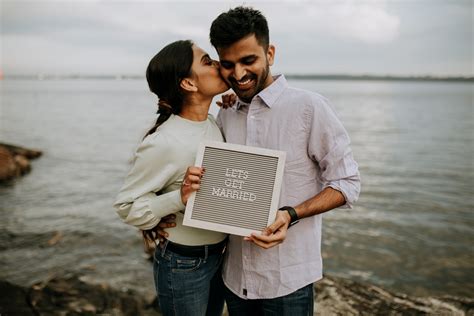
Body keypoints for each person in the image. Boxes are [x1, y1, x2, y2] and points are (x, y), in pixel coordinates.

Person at [175, 6, 361, 315]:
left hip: (287, 281)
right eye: (228, 64)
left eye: (249, 61)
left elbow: (347, 183)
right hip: (233, 278)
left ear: (270, 53)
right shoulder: (226, 111)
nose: (238, 75)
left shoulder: (309, 108)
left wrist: (291, 214)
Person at [113, 40, 230, 316]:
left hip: (221, 257)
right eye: (206, 61)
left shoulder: (214, 123)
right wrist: (178, 198)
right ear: (188, 84)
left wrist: (234, 105)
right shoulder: (163, 142)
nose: (217, 64)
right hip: (183, 264)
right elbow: (126, 206)